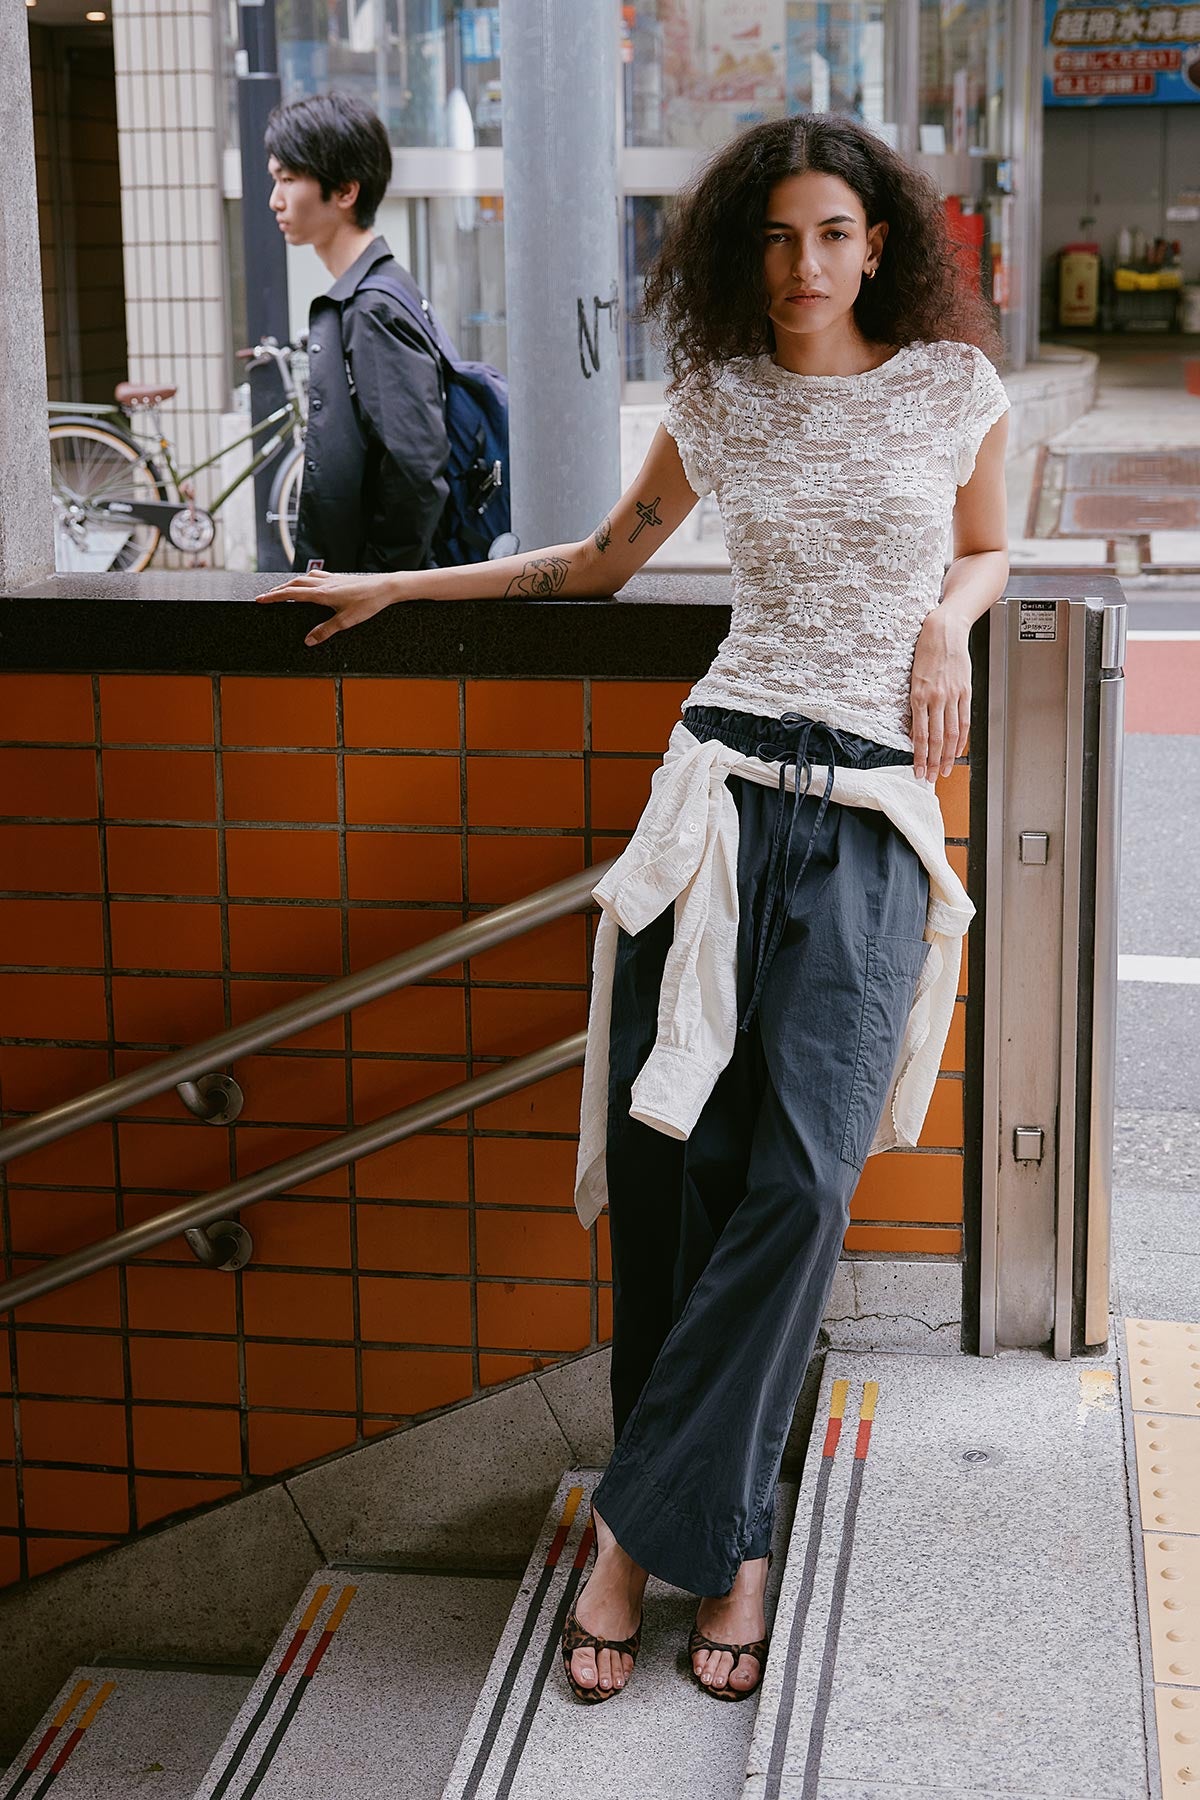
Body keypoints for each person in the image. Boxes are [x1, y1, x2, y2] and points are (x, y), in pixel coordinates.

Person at [259, 112, 1009, 1707]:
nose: (802, 265)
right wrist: (397, 586)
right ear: (742, 247)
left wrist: (946, 622)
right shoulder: (721, 399)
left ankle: (629, 1534)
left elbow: (993, 548)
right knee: (680, 1177)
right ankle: (727, 1548)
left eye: (832, 234)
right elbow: (601, 562)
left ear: (881, 242)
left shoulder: (955, 389)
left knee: (803, 1180)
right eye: (774, 236)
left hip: (872, 812)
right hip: (715, 803)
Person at [265, 92, 450, 573]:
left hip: (376, 602)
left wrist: (374, 584)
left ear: (346, 192)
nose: (275, 199)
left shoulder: (371, 307)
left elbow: (416, 471)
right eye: (274, 179)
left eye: (288, 179)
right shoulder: (380, 288)